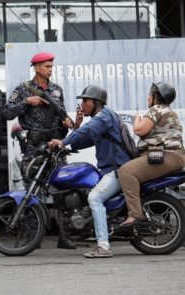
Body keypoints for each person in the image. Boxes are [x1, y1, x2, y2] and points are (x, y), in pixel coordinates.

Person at [3, 51, 76, 249]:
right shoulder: (23, 90)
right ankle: (33, 238)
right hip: (34, 147)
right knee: (32, 193)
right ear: (36, 68)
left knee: (63, 191)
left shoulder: (57, 90)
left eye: (51, 66)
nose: (50, 70)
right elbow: (7, 112)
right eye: (47, 66)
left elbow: (62, 116)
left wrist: (67, 122)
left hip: (54, 146)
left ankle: (64, 236)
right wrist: (27, 102)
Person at [48, 85, 132, 258]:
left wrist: (63, 141)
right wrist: (74, 131)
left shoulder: (104, 116)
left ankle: (103, 246)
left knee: (94, 197)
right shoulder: (99, 122)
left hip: (118, 170)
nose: (82, 104)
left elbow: (87, 130)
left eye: (85, 100)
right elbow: (82, 141)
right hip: (110, 170)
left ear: (96, 102)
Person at [118, 82, 185, 229]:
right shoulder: (167, 110)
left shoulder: (157, 109)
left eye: (150, 95)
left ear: (156, 96)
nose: (148, 97)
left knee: (126, 171)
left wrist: (137, 119)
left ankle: (135, 214)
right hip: (174, 156)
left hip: (167, 155)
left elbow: (140, 130)